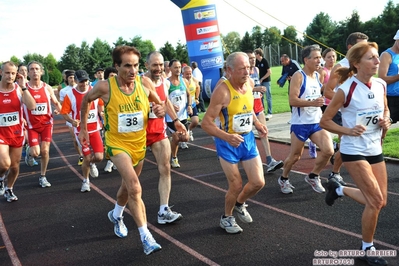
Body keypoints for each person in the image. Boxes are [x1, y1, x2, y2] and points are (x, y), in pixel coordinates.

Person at [78, 45, 164, 255]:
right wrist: (82, 128)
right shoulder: (105, 87)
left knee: (127, 188)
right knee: (135, 187)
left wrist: (161, 110)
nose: (132, 70)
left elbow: (159, 103)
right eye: (127, 66)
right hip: (117, 145)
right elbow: (86, 100)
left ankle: (116, 214)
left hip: (139, 144)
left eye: (135, 65)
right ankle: (146, 237)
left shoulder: (144, 83)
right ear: (116, 66)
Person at [320, 41, 390, 266]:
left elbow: (385, 108)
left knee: (381, 201)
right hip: (353, 150)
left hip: (374, 148)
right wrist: (347, 130)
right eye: (371, 58)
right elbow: (325, 120)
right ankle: (367, 248)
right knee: (375, 200)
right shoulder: (346, 89)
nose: (377, 61)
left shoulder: (380, 84)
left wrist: (385, 121)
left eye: (377, 57)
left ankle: (338, 189)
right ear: (357, 63)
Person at [201, 52, 267, 234]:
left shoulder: (250, 84)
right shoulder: (222, 91)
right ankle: (227, 217)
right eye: (242, 69)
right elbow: (205, 123)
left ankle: (240, 203)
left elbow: (247, 107)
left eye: (248, 67)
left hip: (247, 139)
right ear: (229, 70)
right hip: (227, 142)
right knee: (236, 185)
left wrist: (257, 123)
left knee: (258, 182)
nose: (247, 72)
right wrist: (227, 137)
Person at [277, 45, 334, 194]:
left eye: (319, 57)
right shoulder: (298, 76)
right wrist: (312, 103)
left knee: (329, 150)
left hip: (316, 122)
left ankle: (313, 176)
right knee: (295, 156)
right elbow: (292, 100)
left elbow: (321, 91)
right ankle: (284, 178)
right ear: (306, 60)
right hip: (300, 123)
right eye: (315, 57)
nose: (319, 60)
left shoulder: (317, 75)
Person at [144, 51, 187, 224]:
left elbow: (165, 101)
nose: (158, 68)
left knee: (165, 168)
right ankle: (118, 210)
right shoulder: (139, 83)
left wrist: (176, 121)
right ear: (147, 65)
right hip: (138, 134)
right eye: (154, 65)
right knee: (131, 181)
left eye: (161, 65)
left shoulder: (165, 83)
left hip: (158, 131)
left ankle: (163, 210)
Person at [324, 32, 369, 185]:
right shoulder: (341, 66)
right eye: (361, 46)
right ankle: (335, 173)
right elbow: (328, 91)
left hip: (362, 112)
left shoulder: (365, 64)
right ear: (350, 47)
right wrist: (346, 101)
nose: (365, 49)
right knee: (347, 142)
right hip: (344, 112)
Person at [60, 70, 103, 192]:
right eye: (81, 81)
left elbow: (100, 104)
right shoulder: (70, 95)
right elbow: (64, 112)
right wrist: (72, 120)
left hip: (95, 129)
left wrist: (102, 113)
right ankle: (86, 181)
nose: (83, 84)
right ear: (76, 81)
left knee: (99, 157)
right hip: (80, 132)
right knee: (87, 157)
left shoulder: (94, 90)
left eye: (85, 81)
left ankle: (92, 164)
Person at [0, 61, 36, 202]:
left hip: (16, 133)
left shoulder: (19, 89)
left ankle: (9, 188)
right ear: (1, 72)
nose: (10, 76)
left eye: (13, 73)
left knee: (15, 167)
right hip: (1, 133)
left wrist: (23, 87)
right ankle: (1, 177)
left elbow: (32, 106)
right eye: (7, 72)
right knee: (4, 163)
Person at [23, 61, 62, 188]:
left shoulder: (47, 87)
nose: (34, 71)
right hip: (31, 125)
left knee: (45, 151)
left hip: (46, 123)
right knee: (35, 153)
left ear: (41, 71)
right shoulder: (23, 89)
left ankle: (43, 176)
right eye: (32, 69)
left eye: (37, 69)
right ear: (28, 73)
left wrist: (58, 109)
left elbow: (56, 102)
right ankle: (30, 152)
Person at [247, 50, 283, 173]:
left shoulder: (256, 70)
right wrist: (256, 88)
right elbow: (242, 89)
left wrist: (258, 93)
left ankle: (269, 159)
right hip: (246, 107)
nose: (252, 60)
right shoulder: (243, 72)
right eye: (249, 58)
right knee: (246, 135)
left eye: (253, 57)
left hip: (257, 105)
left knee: (264, 131)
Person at [166, 59, 192, 167]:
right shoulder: (167, 83)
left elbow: (189, 95)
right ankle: (174, 158)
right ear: (170, 69)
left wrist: (189, 105)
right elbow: (164, 100)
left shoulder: (184, 81)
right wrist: (172, 106)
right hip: (171, 117)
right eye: (175, 67)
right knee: (177, 137)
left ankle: (169, 141)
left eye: (179, 67)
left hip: (183, 115)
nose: (178, 69)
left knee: (185, 138)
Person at [58, 70, 85, 166]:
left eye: (74, 77)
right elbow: (62, 105)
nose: (72, 79)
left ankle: (87, 154)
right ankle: (81, 155)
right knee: (75, 138)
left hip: (83, 116)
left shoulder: (83, 87)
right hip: (71, 118)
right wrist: (59, 110)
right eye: (70, 77)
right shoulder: (63, 91)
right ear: (67, 79)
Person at [18, 63, 39, 166]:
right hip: (21, 116)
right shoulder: (16, 86)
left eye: (26, 70)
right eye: (21, 71)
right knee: (25, 138)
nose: (24, 73)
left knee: (29, 139)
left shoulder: (31, 84)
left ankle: (29, 154)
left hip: (32, 115)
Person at [378, 29, 399, 124]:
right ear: (397, 40)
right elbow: (382, 79)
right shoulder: (386, 55)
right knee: (384, 127)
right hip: (391, 98)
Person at [102, 67, 118, 173]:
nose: (114, 78)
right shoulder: (104, 90)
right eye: (112, 76)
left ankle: (116, 162)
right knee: (109, 143)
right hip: (108, 121)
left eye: (115, 76)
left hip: (121, 122)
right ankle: (110, 161)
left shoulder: (122, 88)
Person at [182, 65, 200, 142]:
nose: (189, 75)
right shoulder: (180, 81)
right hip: (182, 105)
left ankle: (189, 130)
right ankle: (183, 140)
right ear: (182, 74)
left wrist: (196, 98)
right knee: (183, 123)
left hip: (191, 103)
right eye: (187, 74)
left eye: (190, 73)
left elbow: (198, 87)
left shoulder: (194, 80)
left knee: (195, 121)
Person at [254, 48, 272, 119]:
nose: (254, 55)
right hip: (259, 81)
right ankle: (262, 112)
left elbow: (269, 72)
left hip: (266, 81)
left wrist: (262, 78)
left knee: (268, 97)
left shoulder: (264, 61)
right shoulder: (256, 62)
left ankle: (270, 112)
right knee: (260, 97)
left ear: (258, 54)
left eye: (255, 54)